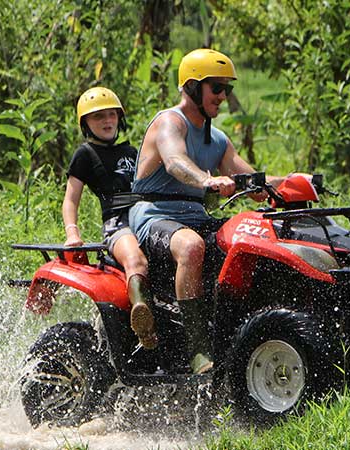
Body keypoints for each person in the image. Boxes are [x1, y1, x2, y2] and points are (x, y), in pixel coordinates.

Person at [129, 48, 293, 374]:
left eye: (227, 89)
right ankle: (198, 350)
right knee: (192, 247)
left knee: (249, 242)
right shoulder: (169, 123)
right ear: (191, 87)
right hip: (155, 214)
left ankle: (238, 332)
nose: (223, 96)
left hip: (195, 216)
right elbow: (176, 162)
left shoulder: (216, 138)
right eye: (216, 88)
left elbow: (251, 180)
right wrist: (208, 180)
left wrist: (292, 182)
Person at [63, 86, 157, 350]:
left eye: (111, 115)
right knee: (135, 259)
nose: (107, 121)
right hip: (119, 224)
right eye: (98, 117)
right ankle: (144, 325)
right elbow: (71, 199)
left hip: (148, 217)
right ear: (86, 124)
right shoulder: (85, 155)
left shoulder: (131, 152)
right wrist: (73, 232)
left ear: (120, 117)